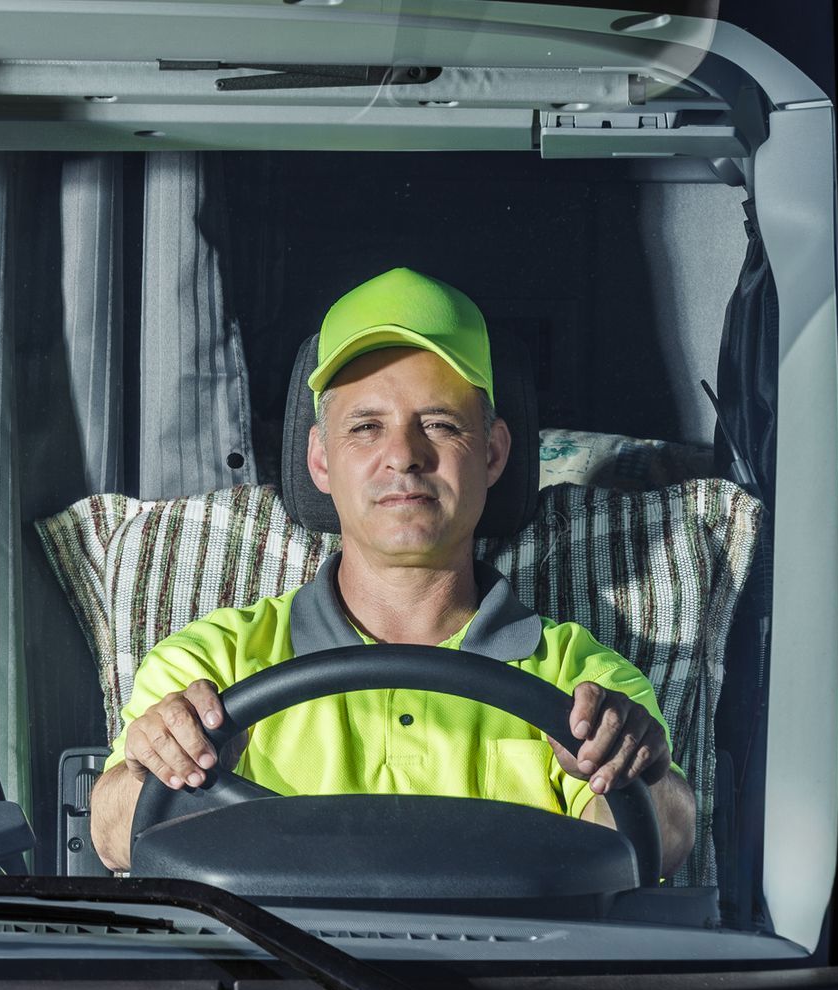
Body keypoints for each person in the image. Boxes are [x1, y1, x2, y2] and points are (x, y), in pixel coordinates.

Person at [90, 267, 697, 872]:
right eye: (366, 428)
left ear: (492, 454)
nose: (405, 455)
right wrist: (157, 766)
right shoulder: (210, 664)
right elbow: (116, 835)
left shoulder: (578, 676)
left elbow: (659, 841)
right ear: (322, 462)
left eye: (439, 424)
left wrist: (633, 771)